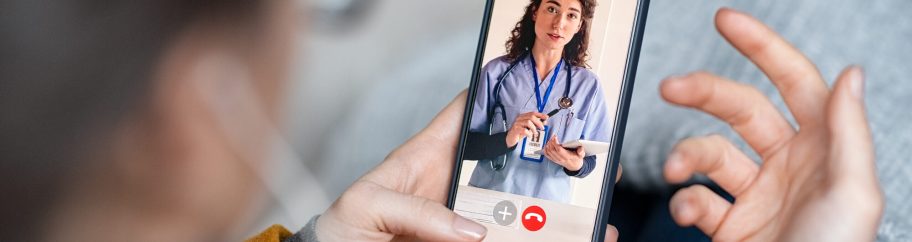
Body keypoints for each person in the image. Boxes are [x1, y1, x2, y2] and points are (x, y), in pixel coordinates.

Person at [0, 1, 881, 242]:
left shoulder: (585, 86)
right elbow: (489, 137)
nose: (559, 23)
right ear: (191, 103)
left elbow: (583, 152)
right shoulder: (490, 74)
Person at [464, 0, 611, 203]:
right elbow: (464, 145)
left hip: (547, 208)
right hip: (490, 197)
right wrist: (508, 138)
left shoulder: (588, 85)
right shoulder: (496, 72)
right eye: (552, 9)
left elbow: (589, 161)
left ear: (579, 25)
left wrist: (573, 164)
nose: (559, 24)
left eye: (571, 15)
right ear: (535, 12)